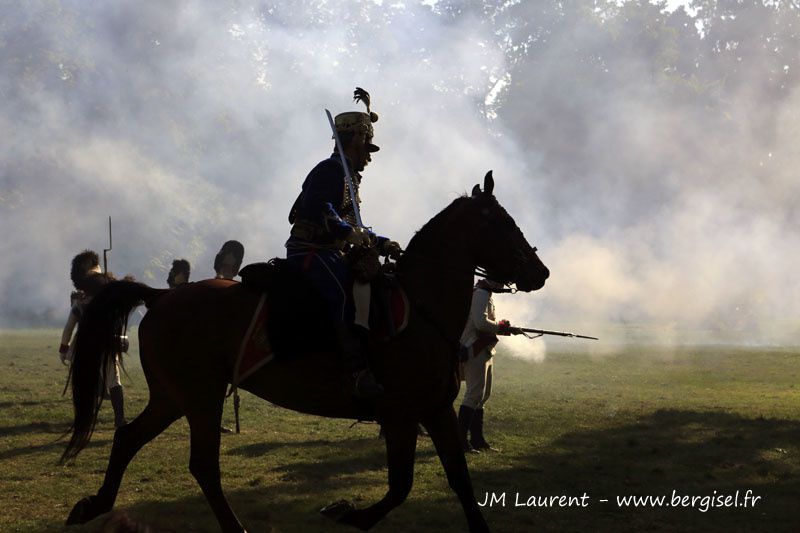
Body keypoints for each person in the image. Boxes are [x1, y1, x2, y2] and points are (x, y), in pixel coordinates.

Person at [285, 87, 400, 399]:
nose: (369, 155)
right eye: (367, 146)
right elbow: (323, 210)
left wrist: (383, 243)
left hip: (331, 249)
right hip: (311, 250)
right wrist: (347, 233)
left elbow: (355, 226)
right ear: (355, 140)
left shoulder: (350, 176)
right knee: (342, 294)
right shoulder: (330, 170)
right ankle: (356, 371)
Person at [59, 250, 127, 428]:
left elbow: (68, 329)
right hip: (107, 343)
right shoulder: (110, 297)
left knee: (84, 381)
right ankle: (119, 419)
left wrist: (63, 349)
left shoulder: (80, 302)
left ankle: (85, 418)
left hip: (85, 346)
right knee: (114, 381)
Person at [458, 278, 518, 453]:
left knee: (482, 396)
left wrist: (502, 327)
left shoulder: (485, 293)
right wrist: (501, 328)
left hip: (483, 348)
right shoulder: (481, 293)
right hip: (474, 348)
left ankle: (477, 439)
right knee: (473, 394)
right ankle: (460, 441)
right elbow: (480, 323)